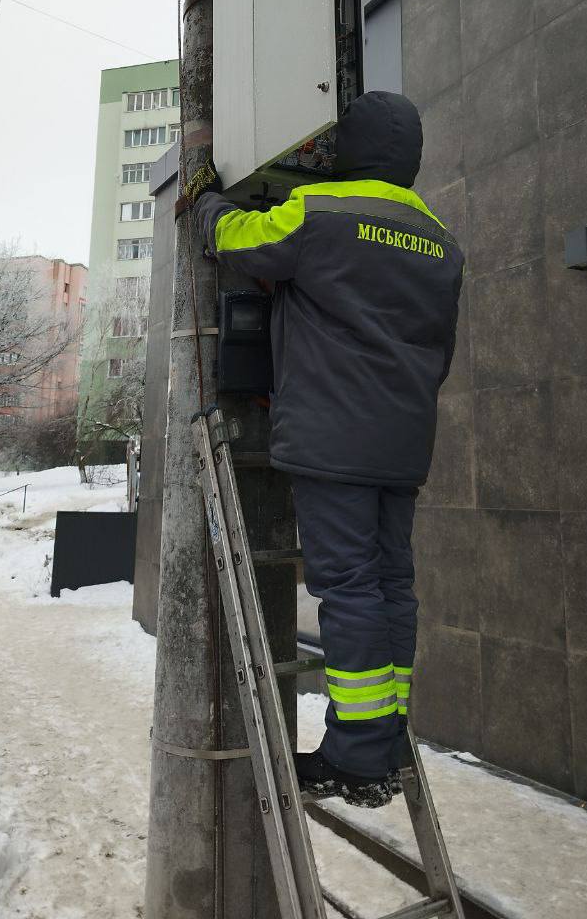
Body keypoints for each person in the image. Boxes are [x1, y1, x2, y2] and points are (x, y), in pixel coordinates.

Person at [188, 90, 464, 809]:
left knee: (347, 590)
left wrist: (206, 201)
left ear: (348, 149)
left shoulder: (320, 214)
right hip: (402, 441)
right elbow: (442, 351)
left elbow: (241, 241)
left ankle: (358, 757)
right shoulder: (438, 237)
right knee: (388, 588)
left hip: (333, 438)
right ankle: (385, 732)